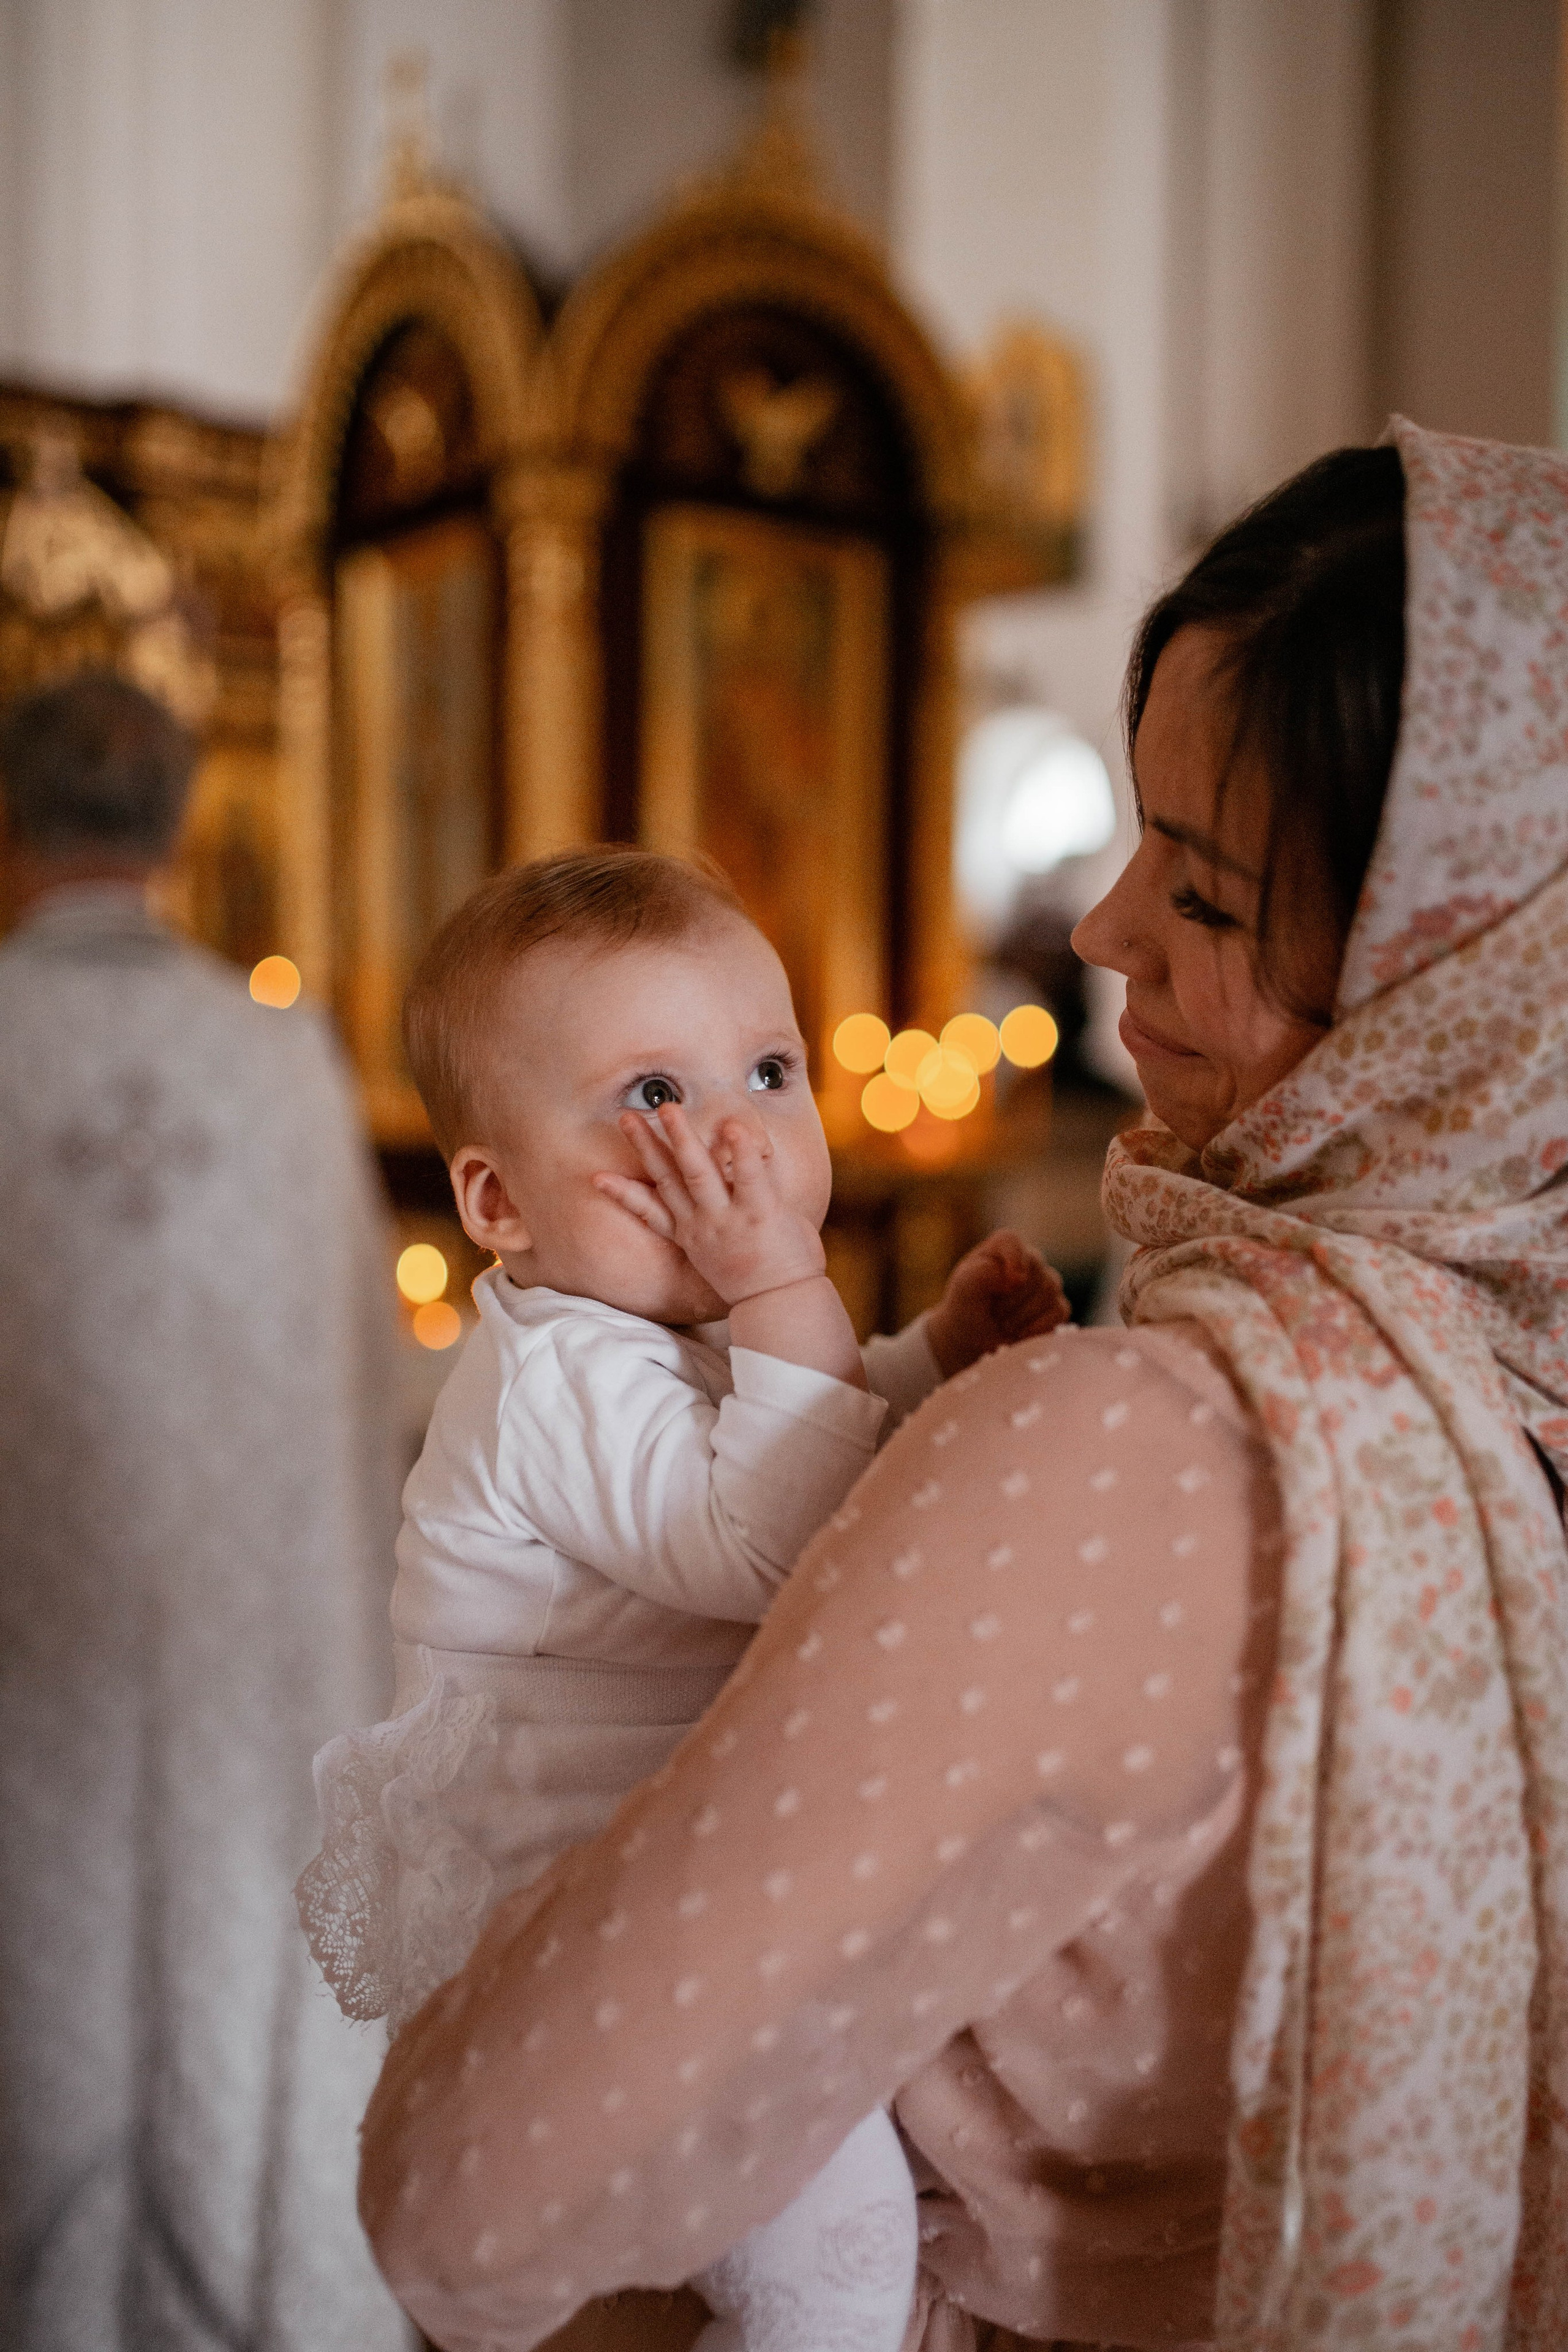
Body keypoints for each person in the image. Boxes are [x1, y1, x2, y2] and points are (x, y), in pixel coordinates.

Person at [356, 416, 1568, 2352]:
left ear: (1448, 1009)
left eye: (1205, 894)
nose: (1094, 932)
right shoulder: (1511, 1397)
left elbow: (460, 2202)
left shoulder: (1119, 1450)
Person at [296, 848, 1066, 2352]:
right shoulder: (547, 1385)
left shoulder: (668, 1334)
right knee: (836, 2253)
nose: (733, 1134)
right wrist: (789, 1280)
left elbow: (790, 1436)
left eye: (767, 1069)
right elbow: (779, 1539)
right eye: (653, 1095)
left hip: (677, 1883)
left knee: (847, 2179)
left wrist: (926, 1360)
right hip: (562, 1932)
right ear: (498, 1201)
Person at [0, 671, 413, 2351]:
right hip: (259, 1672)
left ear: (14, 818)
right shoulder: (279, 1058)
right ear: (177, 826)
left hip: (37, 1670)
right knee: (238, 1966)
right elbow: (365, 1380)